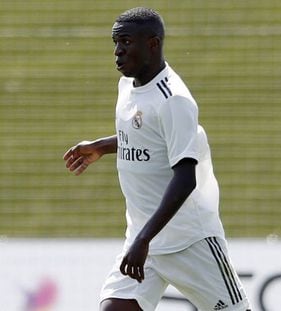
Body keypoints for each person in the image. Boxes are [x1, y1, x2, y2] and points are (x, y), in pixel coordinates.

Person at [63, 7, 251, 311]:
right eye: (115, 43)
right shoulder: (127, 86)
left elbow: (185, 176)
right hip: (144, 240)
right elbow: (146, 138)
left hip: (190, 242)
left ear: (152, 44)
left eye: (125, 42)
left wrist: (144, 240)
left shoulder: (173, 100)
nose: (117, 52)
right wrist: (101, 146)